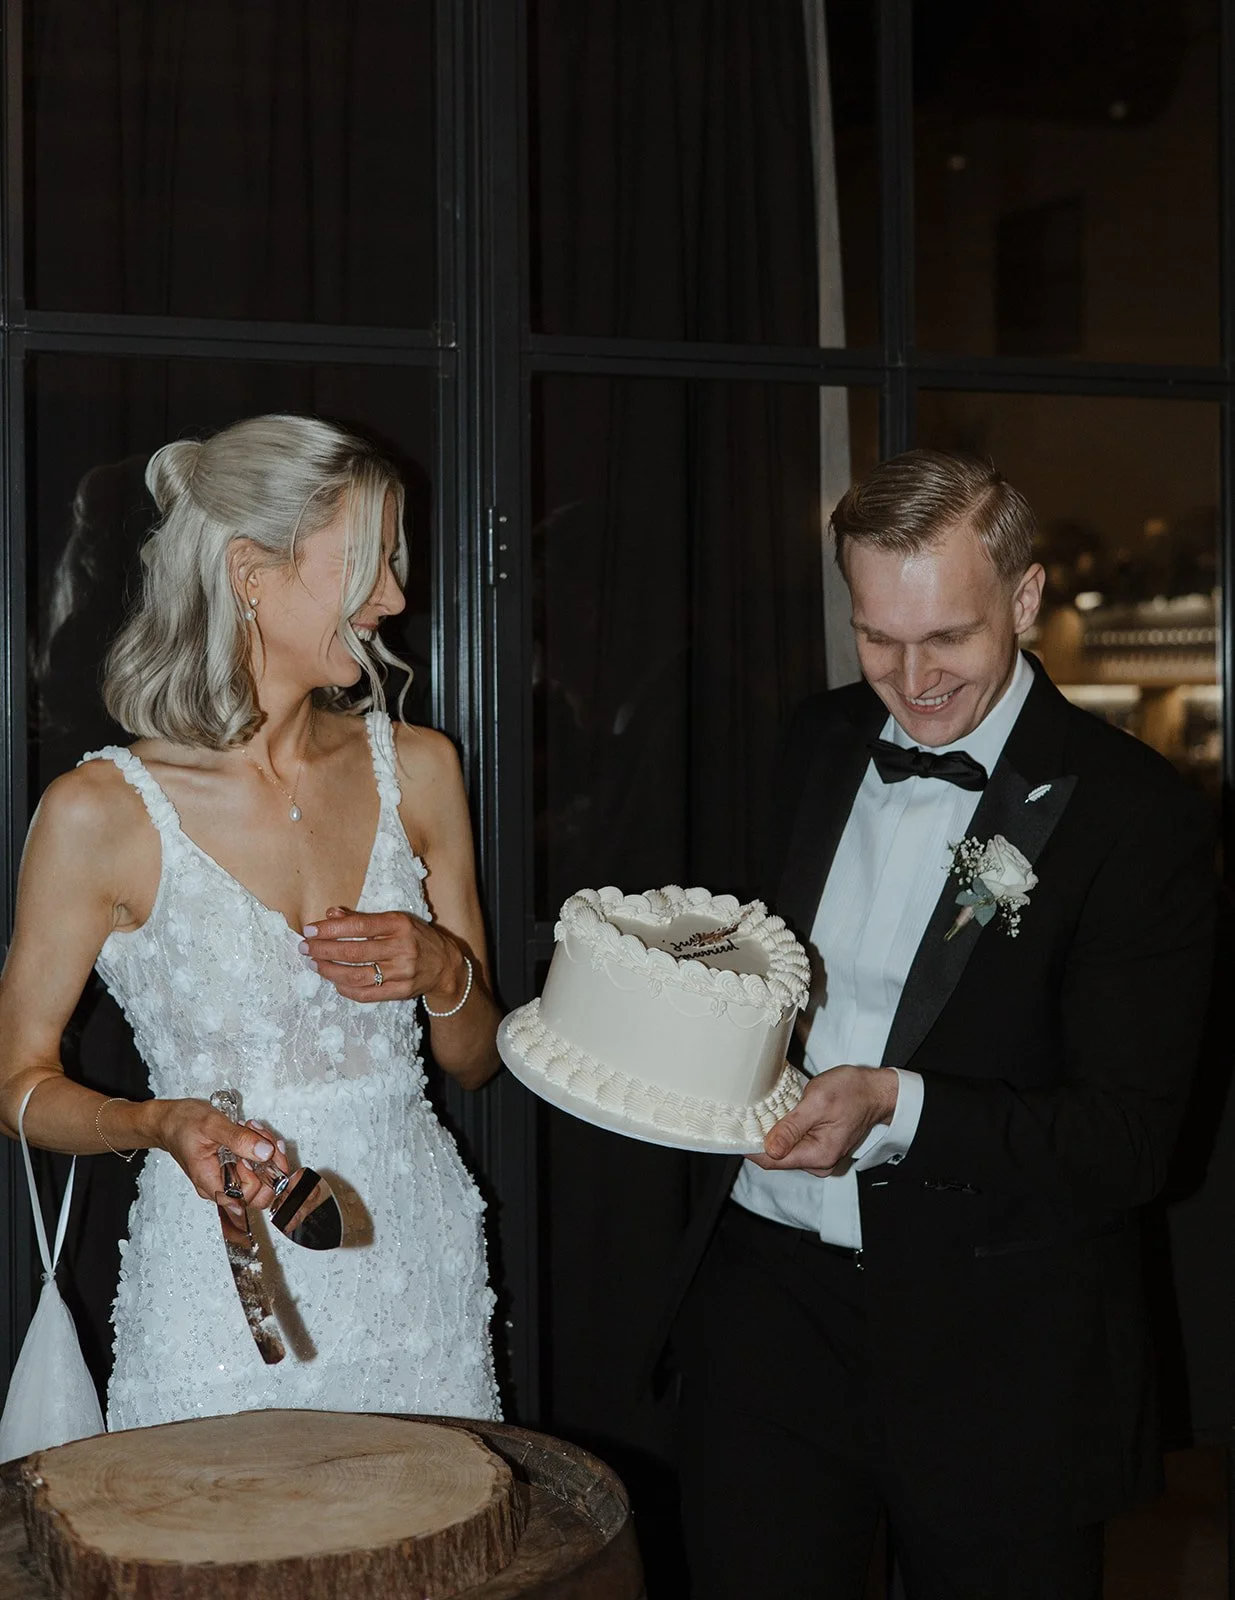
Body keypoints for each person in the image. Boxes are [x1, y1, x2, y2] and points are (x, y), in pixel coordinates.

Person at [664, 450, 1216, 1599]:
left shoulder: (1137, 813)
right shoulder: (810, 742)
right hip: (767, 1306)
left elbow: (1125, 1142)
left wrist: (893, 1105)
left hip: (999, 1340)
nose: (908, 680)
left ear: (1024, 598)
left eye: (946, 639)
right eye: (876, 637)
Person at [0, 414, 503, 1427]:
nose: (395, 597)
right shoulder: (99, 813)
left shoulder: (420, 770)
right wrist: (156, 1123)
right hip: (223, 1292)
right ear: (250, 572)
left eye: (392, 563)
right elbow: (15, 1081)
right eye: (366, 563)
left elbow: (478, 1058)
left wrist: (445, 969)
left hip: (417, 1270)